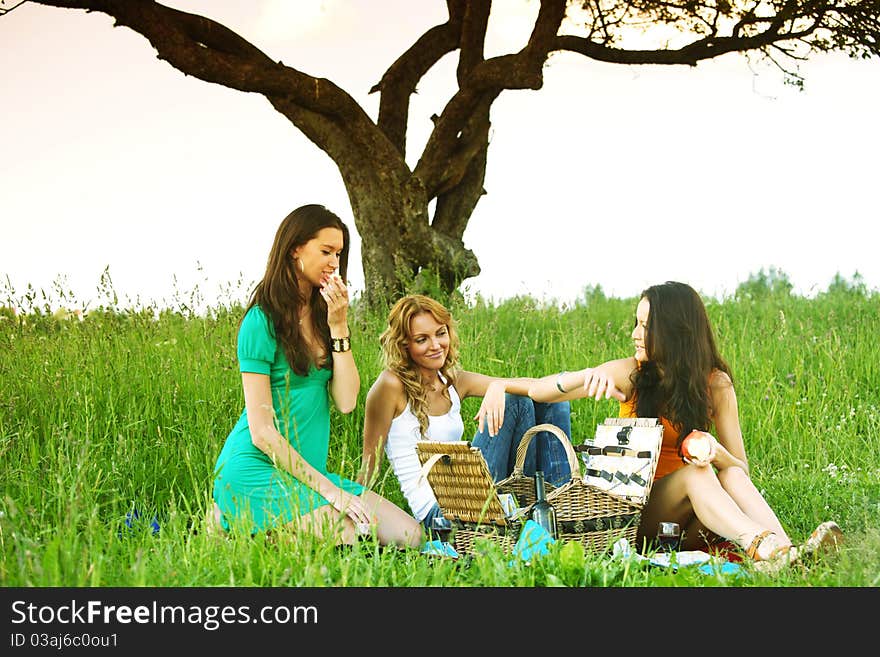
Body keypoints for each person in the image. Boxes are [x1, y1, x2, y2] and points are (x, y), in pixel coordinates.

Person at [528, 281, 843, 574]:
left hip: (690, 523)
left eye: (646, 326)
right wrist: (578, 375)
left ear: (675, 331)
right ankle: (766, 547)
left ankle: (785, 553)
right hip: (639, 518)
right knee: (697, 474)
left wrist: (715, 451)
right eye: (637, 324)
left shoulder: (715, 384)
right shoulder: (631, 374)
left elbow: (739, 470)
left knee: (726, 471)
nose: (635, 334)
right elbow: (540, 390)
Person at [211, 204, 421, 549]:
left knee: (409, 537)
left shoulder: (326, 317)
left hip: (305, 476)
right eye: (325, 251)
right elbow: (262, 433)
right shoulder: (261, 322)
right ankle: (232, 522)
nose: (334, 262)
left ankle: (243, 528)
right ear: (296, 248)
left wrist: (339, 326)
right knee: (350, 537)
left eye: (338, 253)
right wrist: (331, 491)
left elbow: (346, 401)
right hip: (255, 469)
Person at [358, 293, 572, 538]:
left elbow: (533, 385)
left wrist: (586, 378)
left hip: (479, 496)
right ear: (404, 345)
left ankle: (559, 509)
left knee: (552, 401)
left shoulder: (452, 380)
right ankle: (557, 517)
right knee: (515, 402)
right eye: (422, 339)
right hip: (441, 513)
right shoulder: (390, 385)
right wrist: (356, 514)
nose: (436, 345)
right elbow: (369, 465)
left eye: (440, 333)